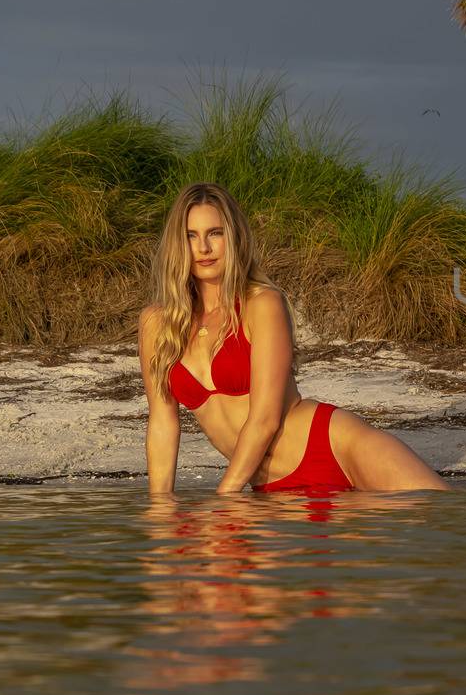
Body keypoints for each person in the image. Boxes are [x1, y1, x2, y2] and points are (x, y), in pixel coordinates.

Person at [137, 182, 448, 494]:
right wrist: (160, 505)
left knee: (441, 518)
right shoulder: (157, 323)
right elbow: (163, 423)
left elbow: (265, 418)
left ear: (234, 237)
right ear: (178, 244)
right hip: (273, 488)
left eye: (215, 233)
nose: (203, 248)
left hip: (335, 448)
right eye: (191, 236)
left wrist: (225, 496)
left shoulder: (261, 304)